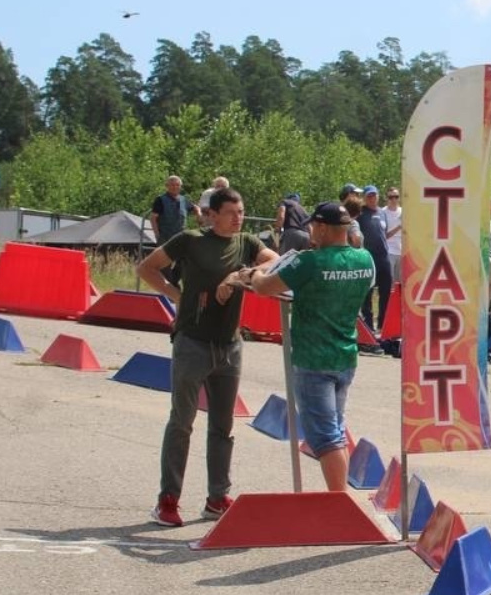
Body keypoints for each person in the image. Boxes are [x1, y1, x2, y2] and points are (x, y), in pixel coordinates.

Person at [136, 187, 277, 527]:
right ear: (211, 214)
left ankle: (217, 497)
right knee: (182, 422)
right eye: (231, 212)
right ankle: (168, 499)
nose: (238, 218)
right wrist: (176, 295)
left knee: (223, 426)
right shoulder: (190, 240)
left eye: (241, 212)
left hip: (229, 345)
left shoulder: (246, 243)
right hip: (192, 343)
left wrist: (240, 275)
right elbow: (147, 268)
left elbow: (276, 260)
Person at [249, 202, 376, 491]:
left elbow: (264, 287)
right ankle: (339, 496)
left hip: (313, 357)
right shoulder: (365, 259)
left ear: (321, 227)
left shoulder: (310, 261)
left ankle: (338, 501)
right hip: (345, 354)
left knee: (324, 438)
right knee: (336, 430)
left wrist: (254, 274)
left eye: (312, 226)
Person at [356, 186, 393, 333]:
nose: (372, 198)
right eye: (369, 196)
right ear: (365, 197)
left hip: (384, 258)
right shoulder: (360, 214)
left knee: (386, 291)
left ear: (378, 196)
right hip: (368, 258)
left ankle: (382, 325)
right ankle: (369, 325)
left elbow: (384, 233)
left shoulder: (382, 213)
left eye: (374, 196)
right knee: (368, 292)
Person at [383, 187, 403, 283]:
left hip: (402, 251)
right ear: (387, 198)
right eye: (391, 197)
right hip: (389, 251)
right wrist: (399, 227)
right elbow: (383, 235)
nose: (394, 199)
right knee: (390, 283)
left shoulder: (404, 211)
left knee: (401, 282)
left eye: (396, 196)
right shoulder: (383, 212)